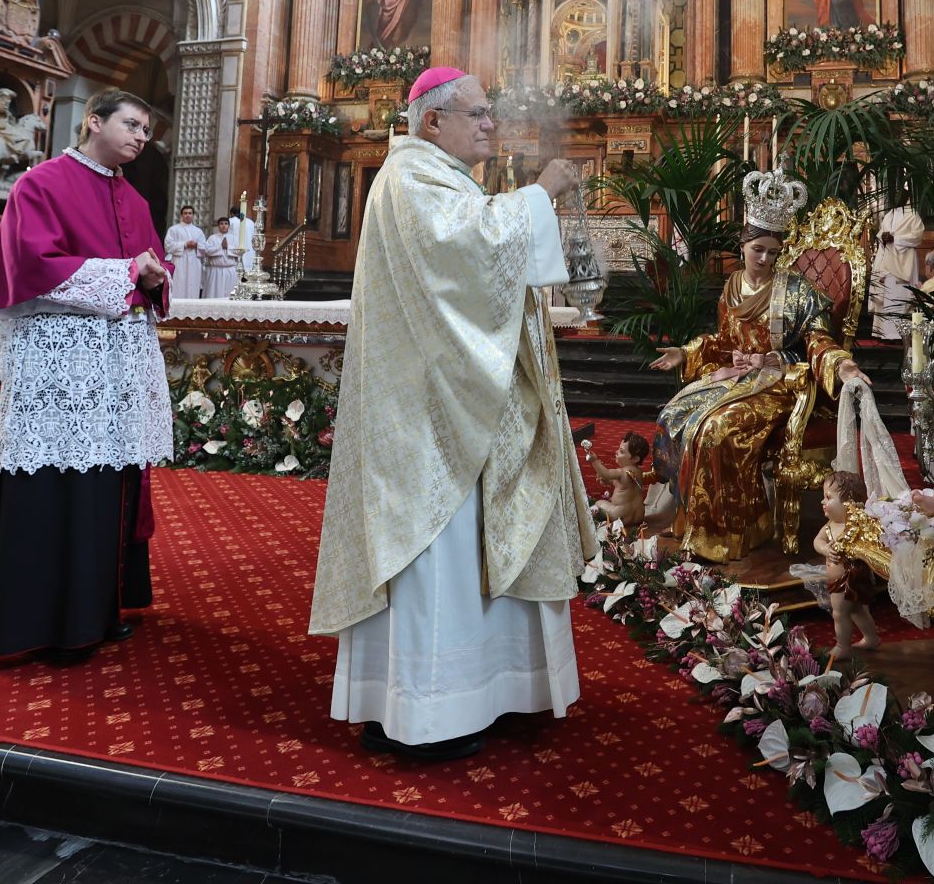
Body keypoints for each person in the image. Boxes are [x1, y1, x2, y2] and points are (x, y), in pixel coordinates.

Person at [309, 67, 594, 762]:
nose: (491, 123)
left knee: (472, 544)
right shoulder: (409, 178)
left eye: (491, 111)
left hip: (455, 398)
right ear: (433, 121)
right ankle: (430, 710)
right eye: (479, 112)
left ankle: (487, 690)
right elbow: (466, 252)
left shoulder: (438, 179)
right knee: (437, 549)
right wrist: (541, 193)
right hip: (428, 416)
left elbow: (480, 252)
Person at [0, 89, 172, 658]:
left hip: (116, 361)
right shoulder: (42, 183)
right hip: (62, 361)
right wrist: (129, 271)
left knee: (106, 483)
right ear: (94, 121)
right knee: (59, 480)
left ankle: (96, 607)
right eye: (131, 123)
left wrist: (152, 275)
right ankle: (40, 620)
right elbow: (31, 264)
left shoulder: (135, 197)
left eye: (147, 130)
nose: (140, 137)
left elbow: (150, 271)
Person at [650, 169, 866, 562]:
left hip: (780, 383)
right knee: (677, 415)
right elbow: (721, 342)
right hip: (736, 378)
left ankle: (730, 533)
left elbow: (818, 340)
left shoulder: (798, 290)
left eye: (773, 251)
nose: (765, 258)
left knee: (716, 429)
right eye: (758, 250)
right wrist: (686, 352)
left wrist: (842, 365)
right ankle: (691, 522)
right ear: (743, 245)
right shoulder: (732, 286)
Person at [813, 470, 879, 654]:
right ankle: (872, 638)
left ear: (848, 502)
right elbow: (817, 541)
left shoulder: (855, 526)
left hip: (849, 579)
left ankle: (843, 646)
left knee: (840, 613)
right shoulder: (830, 526)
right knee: (858, 610)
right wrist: (825, 549)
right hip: (838, 581)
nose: (823, 502)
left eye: (828, 497)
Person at [870, 205, 925, 340]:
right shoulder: (889, 215)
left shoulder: (913, 214)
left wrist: (896, 239)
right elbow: (881, 234)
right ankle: (886, 333)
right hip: (887, 259)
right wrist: (883, 237)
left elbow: (917, 236)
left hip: (904, 260)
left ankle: (901, 334)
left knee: (902, 295)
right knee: (888, 295)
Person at [587, 433, 650, 526]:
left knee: (599, 503)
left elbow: (606, 473)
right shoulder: (639, 472)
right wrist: (608, 481)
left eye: (621, 451)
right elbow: (624, 486)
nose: (616, 452)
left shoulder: (621, 472)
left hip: (619, 515)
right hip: (638, 516)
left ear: (635, 458)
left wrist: (595, 461)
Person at [162, 206, 205, 301]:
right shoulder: (174, 229)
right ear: (181, 215)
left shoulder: (198, 231)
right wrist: (184, 244)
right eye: (185, 213)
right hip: (179, 261)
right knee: (179, 284)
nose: (188, 215)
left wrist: (197, 245)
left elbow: (205, 248)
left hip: (194, 261)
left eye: (190, 213)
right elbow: (168, 246)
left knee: (193, 284)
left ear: (193, 215)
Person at [199, 216, 239, 299]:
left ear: (229, 225)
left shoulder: (234, 238)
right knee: (214, 294)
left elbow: (239, 251)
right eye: (221, 224)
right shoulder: (212, 238)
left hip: (229, 270)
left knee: (230, 293)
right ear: (218, 226)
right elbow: (206, 251)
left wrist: (228, 247)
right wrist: (220, 247)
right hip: (215, 270)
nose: (224, 226)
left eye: (226, 224)